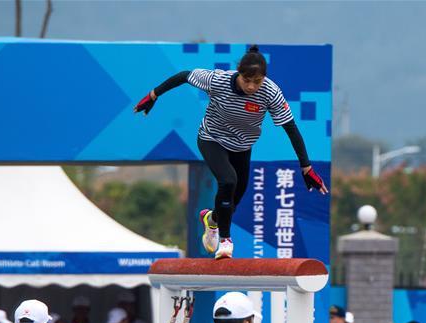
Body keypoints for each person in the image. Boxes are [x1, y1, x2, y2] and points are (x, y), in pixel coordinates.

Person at [134, 45, 328, 259]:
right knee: (228, 181)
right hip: (212, 138)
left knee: (233, 200)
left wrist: (306, 167)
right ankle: (225, 241)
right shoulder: (217, 80)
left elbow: (290, 128)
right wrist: (153, 95)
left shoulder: (271, 92)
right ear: (239, 74)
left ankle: (212, 220)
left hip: (243, 146)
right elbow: (183, 76)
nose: (252, 86)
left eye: (258, 81)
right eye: (247, 80)